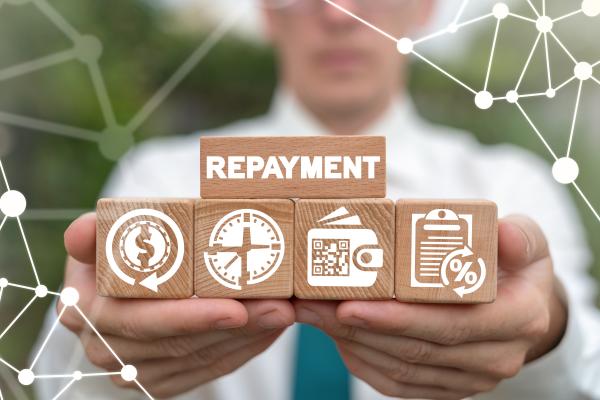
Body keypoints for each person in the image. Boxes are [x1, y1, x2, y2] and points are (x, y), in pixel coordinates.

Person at [34, 0, 600, 399]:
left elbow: (587, 376)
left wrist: (548, 334)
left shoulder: (510, 188)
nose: (337, 13)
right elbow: (58, 384)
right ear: (266, 10)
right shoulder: (159, 182)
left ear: (423, 7)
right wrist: (97, 354)